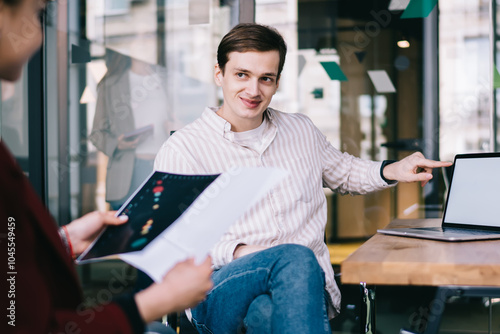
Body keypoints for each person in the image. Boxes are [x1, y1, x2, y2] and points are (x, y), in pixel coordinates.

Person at [154, 23, 453, 333]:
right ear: (219, 74)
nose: (253, 91)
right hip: (219, 287)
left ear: (277, 82)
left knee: (265, 313)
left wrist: (391, 170)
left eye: (265, 79)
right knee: (293, 257)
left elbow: (344, 171)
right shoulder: (184, 149)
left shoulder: (300, 131)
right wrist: (240, 252)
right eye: (241, 75)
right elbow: (171, 243)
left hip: (304, 289)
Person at [0, 0, 212, 333]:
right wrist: (156, 302)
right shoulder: (110, 84)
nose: (39, 34)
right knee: (140, 265)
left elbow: (10, 265)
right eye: (37, 15)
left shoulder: (162, 79)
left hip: (159, 171)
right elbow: (20, 319)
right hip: (127, 173)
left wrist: (64, 241)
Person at [90, 48, 180, 211]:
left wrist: (177, 129)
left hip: (164, 167)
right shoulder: (111, 84)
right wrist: (118, 144)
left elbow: (185, 123)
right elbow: (97, 134)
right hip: (128, 172)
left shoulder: (167, 79)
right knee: (124, 231)